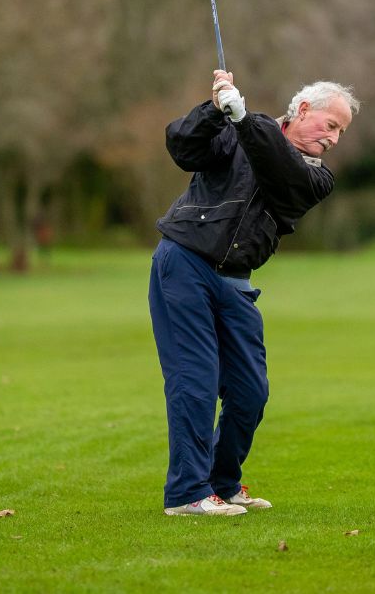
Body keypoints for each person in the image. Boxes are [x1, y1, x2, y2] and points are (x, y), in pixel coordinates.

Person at [149, 69, 358, 516]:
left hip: (236, 281)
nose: (334, 139)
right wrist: (213, 111)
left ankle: (222, 483)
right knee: (195, 379)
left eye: (340, 132)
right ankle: (187, 493)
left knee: (250, 391)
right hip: (185, 262)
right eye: (331, 125)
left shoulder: (315, 178)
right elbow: (182, 147)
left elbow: (279, 170)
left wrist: (243, 120)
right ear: (303, 110)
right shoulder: (236, 127)